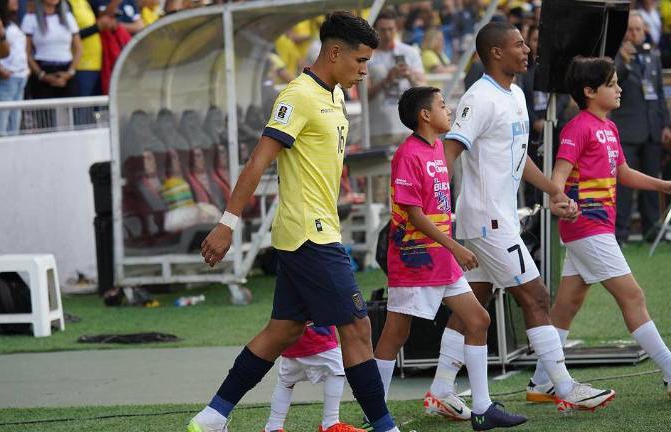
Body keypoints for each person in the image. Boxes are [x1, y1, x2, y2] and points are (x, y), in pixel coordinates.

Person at [189, 11, 401, 432]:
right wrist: (227, 222)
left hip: (314, 230)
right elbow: (258, 161)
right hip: (309, 233)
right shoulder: (298, 95)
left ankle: (212, 416)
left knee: (284, 330)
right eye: (360, 60)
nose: (364, 70)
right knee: (357, 327)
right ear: (334, 52)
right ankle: (385, 427)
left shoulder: (335, 95)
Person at [428, 21, 616, 417]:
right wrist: (436, 204)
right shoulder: (479, 97)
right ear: (496, 52)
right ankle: (564, 387)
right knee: (537, 297)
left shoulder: (514, 93)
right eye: (518, 44)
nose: (527, 49)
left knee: (473, 305)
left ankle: (440, 390)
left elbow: (519, 155)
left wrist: (552, 191)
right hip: (488, 221)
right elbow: (450, 150)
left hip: (496, 218)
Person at [373, 86, 527, 431]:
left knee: (478, 320)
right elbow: (414, 215)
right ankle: (375, 410)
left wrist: (449, 248)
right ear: (425, 115)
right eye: (443, 105)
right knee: (396, 334)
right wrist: (455, 245)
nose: (450, 110)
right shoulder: (408, 154)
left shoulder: (437, 150)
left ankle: (483, 409)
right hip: (415, 261)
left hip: (441, 259)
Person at [529, 55, 671, 403]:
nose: (619, 89)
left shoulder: (609, 127)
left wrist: (664, 185)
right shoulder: (578, 127)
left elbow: (623, 173)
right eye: (611, 84)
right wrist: (558, 199)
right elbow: (559, 176)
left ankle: (541, 382)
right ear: (589, 91)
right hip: (588, 227)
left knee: (567, 305)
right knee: (633, 297)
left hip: (594, 229)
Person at [612, 11, 671, 244]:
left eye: (638, 29)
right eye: (630, 29)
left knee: (652, 183)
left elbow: (659, 93)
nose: (634, 34)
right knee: (624, 186)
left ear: (644, 31)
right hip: (627, 129)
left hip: (652, 129)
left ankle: (652, 230)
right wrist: (624, 60)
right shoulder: (616, 56)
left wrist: (666, 124)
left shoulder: (652, 55)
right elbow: (612, 81)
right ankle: (621, 233)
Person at [262, 324, 364, 432]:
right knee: (337, 368)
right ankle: (331, 424)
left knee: (286, 381)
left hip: (290, 337)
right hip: (314, 332)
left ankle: (273, 427)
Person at [367, 8, 425, 150]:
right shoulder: (367, 56)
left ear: (396, 28)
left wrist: (409, 75)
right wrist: (386, 80)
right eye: (383, 30)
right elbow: (365, 95)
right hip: (378, 129)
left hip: (408, 127)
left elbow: (424, 89)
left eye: (391, 29)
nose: (387, 34)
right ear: (375, 30)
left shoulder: (410, 52)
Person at [22, 0, 82, 100]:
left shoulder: (68, 17)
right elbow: (26, 52)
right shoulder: (30, 18)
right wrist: (41, 75)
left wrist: (70, 72)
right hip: (42, 68)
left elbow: (78, 48)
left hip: (66, 68)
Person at [0, 0, 29, 134]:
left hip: (21, 76)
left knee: (15, 120)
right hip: (7, 77)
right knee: (2, 122)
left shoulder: (14, 23)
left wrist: (26, 69)